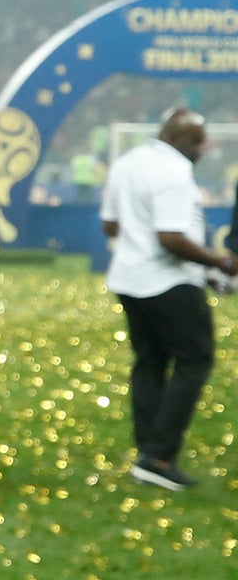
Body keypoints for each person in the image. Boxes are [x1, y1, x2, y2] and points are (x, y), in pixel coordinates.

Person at [100, 108, 233, 490]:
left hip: (128, 277)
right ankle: (159, 456)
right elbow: (172, 238)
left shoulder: (127, 162)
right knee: (195, 359)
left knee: (150, 362)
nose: (204, 149)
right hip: (168, 280)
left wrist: (137, 231)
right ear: (177, 139)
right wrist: (221, 262)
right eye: (197, 141)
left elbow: (110, 224)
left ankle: (147, 451)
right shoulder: (174, 172)